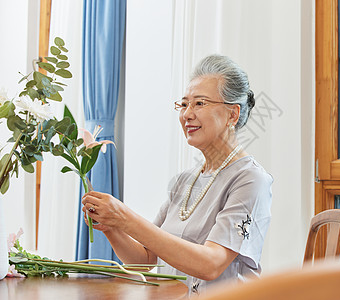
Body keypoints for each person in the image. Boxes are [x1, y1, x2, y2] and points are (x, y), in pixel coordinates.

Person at [81, 54, 273, 295]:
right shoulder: (186, 180)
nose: (187, 114)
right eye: (184, 104)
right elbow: (144, 260)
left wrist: (125, 217)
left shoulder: (250, 179)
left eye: (199, 103)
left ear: (232, 114)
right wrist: (111, 225)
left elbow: (211, 264)